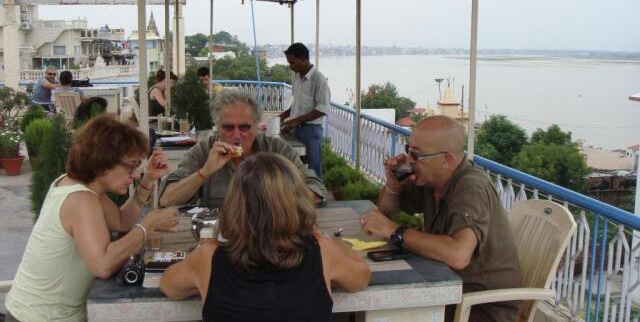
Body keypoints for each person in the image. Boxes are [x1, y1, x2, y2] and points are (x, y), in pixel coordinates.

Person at [4, 115, 178, 322]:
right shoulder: (81, 199)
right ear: (104, 161)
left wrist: (148, 180)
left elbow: (121, 221)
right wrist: (147, 225)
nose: (135, 175)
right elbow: (103, 265)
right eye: (131, 166)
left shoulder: (78, 186)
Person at [159, 153, 370, 322]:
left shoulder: (209, 256)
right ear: (296, 202)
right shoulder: (322, 250)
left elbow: (169, 286)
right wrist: (326, 239)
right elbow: (360, 278)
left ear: (235, 203)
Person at [359, 115, 522, 322]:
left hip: (481, 306)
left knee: (386, 314)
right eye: (408, 149)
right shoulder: (431, 179)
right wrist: (393, 185)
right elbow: (386, 209)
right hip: (447, 287)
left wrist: (395, 231)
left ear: (446, 159)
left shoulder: (471, 188)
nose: (408, 159)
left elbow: (458, 254)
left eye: (416, 155)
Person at [160, 90, 328, 208]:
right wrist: (204, 172)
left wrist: (275, 199)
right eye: (228, 128)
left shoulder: (275, 149)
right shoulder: (204, 151)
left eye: (244, 127)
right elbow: (167, 199)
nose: (237, 135)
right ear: (217, 127)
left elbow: (316, 189)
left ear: (256, 127)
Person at [280, 42, 330, 180]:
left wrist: (295, 121)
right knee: (298, 168)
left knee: (313, 169)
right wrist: (283, 116)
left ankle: (317, 197)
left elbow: (322, 109)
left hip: (311, 132)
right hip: (297, 129)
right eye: (289, 63)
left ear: (303, 59)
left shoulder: (318, 80)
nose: (290, 66)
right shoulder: (297, 78)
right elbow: (297, 104)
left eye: (293, 62)